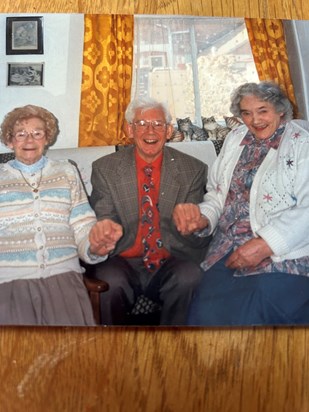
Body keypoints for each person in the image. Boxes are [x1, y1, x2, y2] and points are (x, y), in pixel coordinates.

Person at [173, 81, 309, 326]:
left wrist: (267, 243)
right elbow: (217, 193)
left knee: (252, 309)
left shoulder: (302, 143)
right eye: (246, 113)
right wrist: (203, 217)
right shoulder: (236, 138)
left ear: (280, 110)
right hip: (228, 249)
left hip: (285, 254)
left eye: (262, 110)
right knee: (204, 313)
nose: (254, 120)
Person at [89, 98, 210, 325]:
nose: (150, 131)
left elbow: (195, 228)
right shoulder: (105, 168)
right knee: (110, 282)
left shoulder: (192, 169)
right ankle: (113, 352)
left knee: (189, 277)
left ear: (169, 130)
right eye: (142, 123)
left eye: (158, 124)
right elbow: (104, 215)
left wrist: (194, 223)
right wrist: (105, 231)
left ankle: (173, 352)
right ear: (130, 129)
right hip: (123, 257)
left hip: (171, 255)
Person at [0, 104, 110, 326]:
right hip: (11, 281)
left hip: (63, 276)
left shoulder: (66, 171)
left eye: (37, 133)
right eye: (21, 134)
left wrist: (94, 245)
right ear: (10, 141)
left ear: (47, 138)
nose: (29, 140)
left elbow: (82, 223)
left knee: (72, 355)